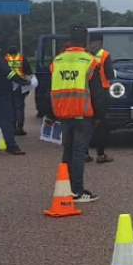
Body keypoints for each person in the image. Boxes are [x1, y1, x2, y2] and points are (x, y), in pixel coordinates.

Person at [51, 25, 107, 202]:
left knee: (67, 150)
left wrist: (51, 114)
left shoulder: (57, 61)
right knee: (79, 152)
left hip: (63, 112)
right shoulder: (89, 61)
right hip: (83, 113)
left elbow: (50, 88)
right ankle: (77, 191)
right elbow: (97, 93)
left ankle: (65, 187)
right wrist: (99, 116)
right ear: (85, 41)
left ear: (69, 40)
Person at [87, 32, 114, 163]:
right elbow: (110, 75)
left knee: (86, 125)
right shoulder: (105, 55)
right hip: (101, 92)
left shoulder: (85, 55)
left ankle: (85, 154)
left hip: (85, 93)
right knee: (101, 125)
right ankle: (101, 154)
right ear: (100, 42)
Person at [5, 45, 33, 136]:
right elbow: (28, 71)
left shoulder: (5, 59)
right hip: (20, 85)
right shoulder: (21, 58)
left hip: (8, 85)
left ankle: (12, 128)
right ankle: (20, 128)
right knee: (19, 107)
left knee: (10, 107)